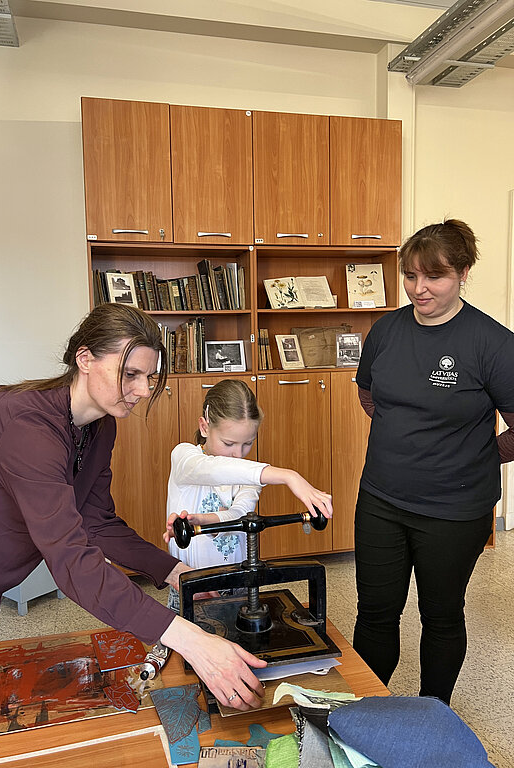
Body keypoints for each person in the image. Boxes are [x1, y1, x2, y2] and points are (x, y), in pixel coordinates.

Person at [0, 303, 266, 711]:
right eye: (130, 374)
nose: (144, 390)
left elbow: (96, 522)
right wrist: (188, 638)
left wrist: (174, 571)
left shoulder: (99, 426)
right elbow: (72, 559)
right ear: (85, 359)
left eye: (149, 377)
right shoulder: (28, 429)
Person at [353, 219, 514, 705]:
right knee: (375, 612)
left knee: (441, 615)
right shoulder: (386, 330)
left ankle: (432, 713)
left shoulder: (493, 343)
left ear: (462, 273)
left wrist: (477, 457)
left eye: (434, 276)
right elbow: (369, 393)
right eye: (410, 275)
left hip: (454, 510)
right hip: (380, 499)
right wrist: (407, 440)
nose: (418, 288)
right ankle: (368, 712)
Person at [163, 378, 333, 611]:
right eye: (228, 443)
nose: (238, 454)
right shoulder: (184, 457)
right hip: (190, 583)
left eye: (247, 443)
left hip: (238, 584)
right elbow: (214, 470)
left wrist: (204, 520)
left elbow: (240, 516)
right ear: (204, 427)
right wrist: (289, 476)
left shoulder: (249, 476)